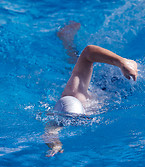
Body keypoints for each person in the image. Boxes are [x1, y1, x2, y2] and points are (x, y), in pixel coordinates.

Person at [44, 21, 138, 156]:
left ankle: (66, 39)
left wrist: (121, 62)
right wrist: (55, 145)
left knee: (73, 62)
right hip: (107, 92)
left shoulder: (75, 94)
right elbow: (50, 131)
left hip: (102, 81)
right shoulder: (63, 114)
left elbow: (88, 52)